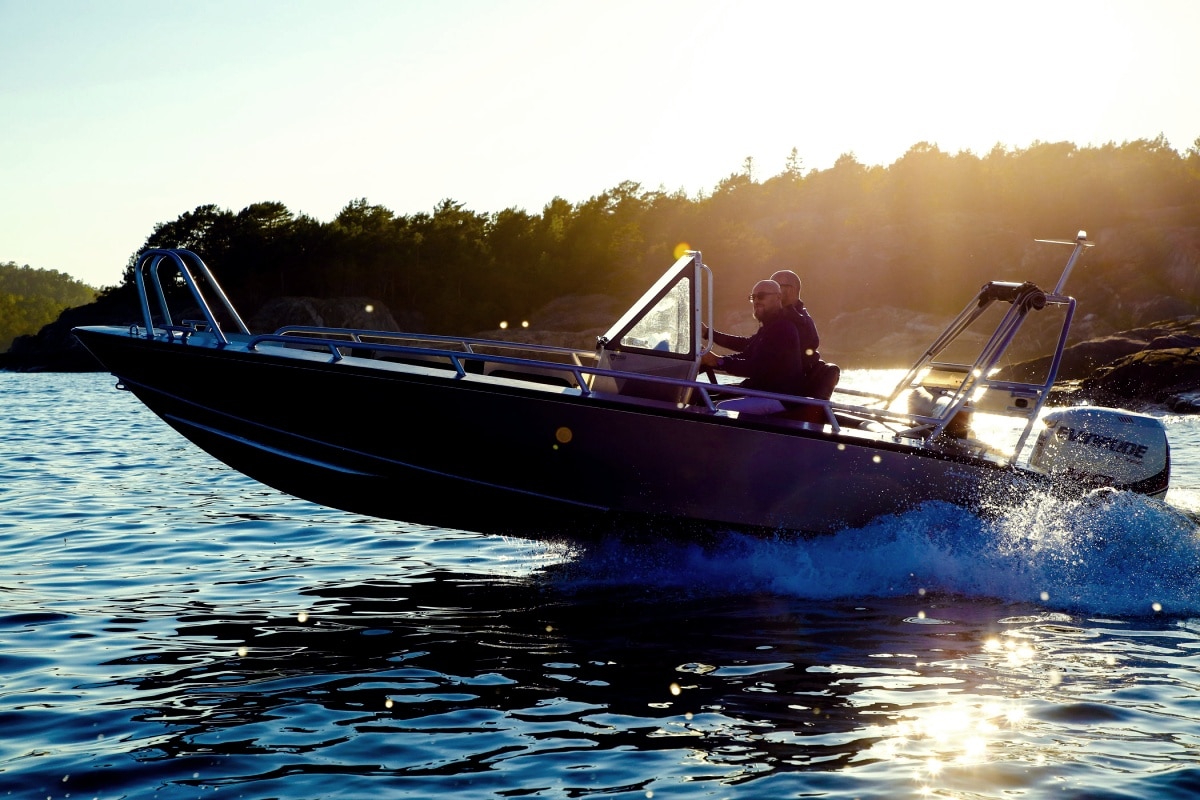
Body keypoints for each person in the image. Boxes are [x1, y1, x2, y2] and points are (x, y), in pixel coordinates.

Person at [700, 279, 806, 414]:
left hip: (780, 397)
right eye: (753, 297)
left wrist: (719, 361)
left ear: (778, 297)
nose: (756, 301)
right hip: (765, 391)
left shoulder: (783, 328)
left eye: (761, 296)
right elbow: (746, 353)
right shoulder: (769, 327)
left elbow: (757, 368)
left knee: (718, 408)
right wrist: (714, 358)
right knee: (704, 398)